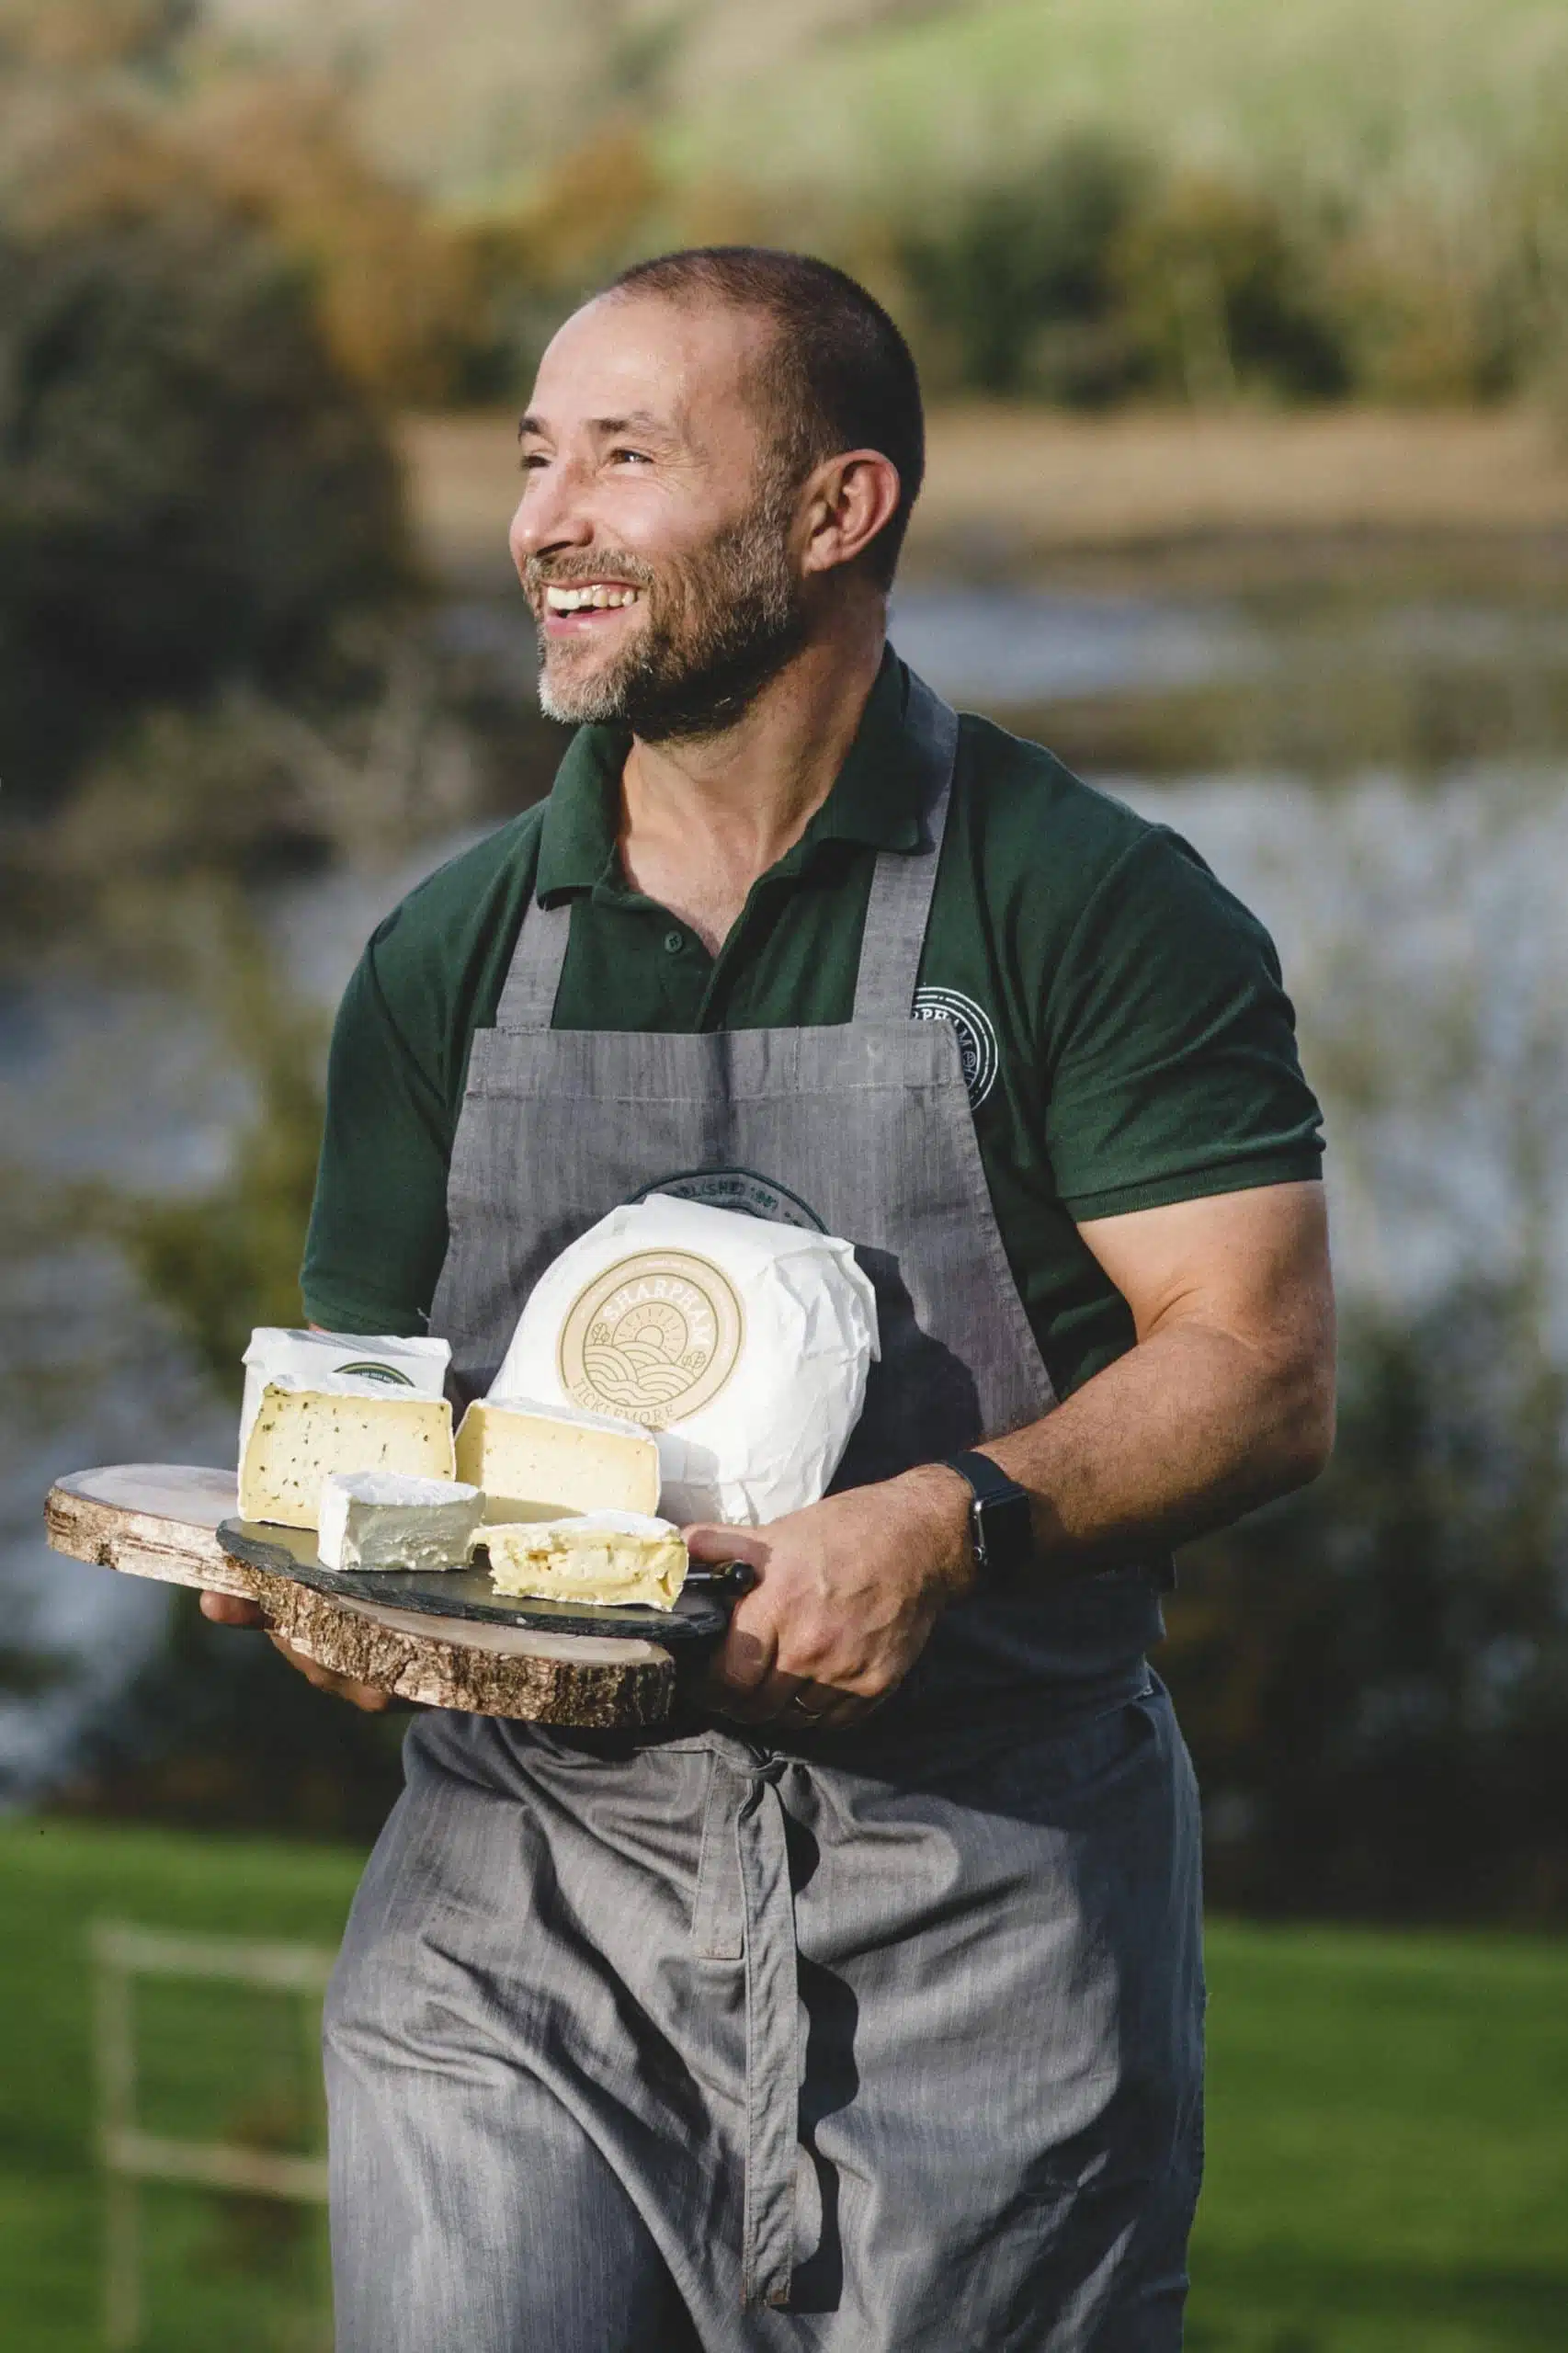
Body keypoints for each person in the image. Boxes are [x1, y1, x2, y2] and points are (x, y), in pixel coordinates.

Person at [205, 246, 1335, 2350]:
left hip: (983, 1913)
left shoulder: (1087, 903)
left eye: (626, 457)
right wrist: (336, 1577)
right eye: (534, 457)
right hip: (515, 1906)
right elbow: (370, 1398)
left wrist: (945, 1520)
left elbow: (1258, 1366)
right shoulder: (447, 954)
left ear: (837, 508)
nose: (547, 519)